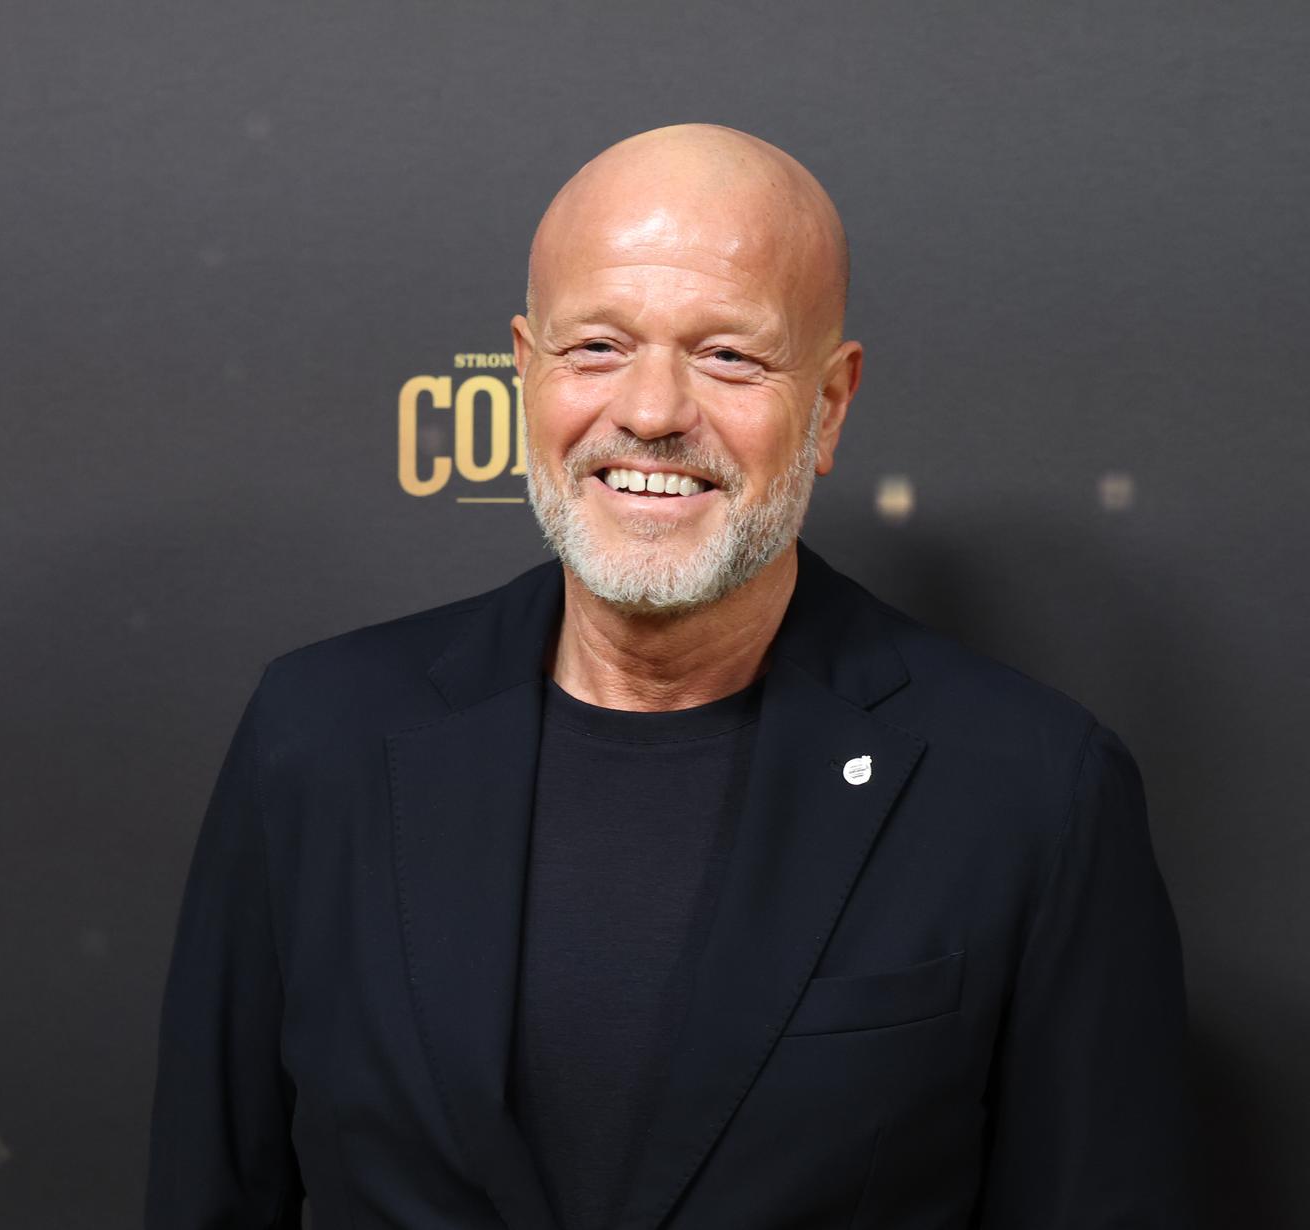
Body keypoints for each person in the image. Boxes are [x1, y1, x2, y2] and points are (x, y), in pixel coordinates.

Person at [145, 123, 1192, 1229]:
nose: (650, 412)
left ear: (829, 405)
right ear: (523, 373)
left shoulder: (1030, 790)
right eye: (596, 346)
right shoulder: (317, 739)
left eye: (728, 354)